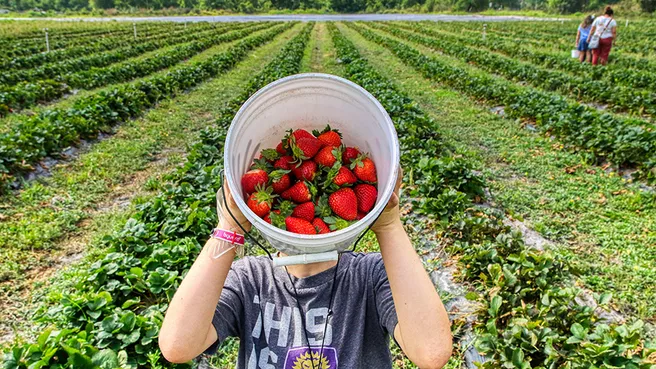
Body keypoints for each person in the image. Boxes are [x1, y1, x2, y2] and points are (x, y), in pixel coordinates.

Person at [159, 170, 453, 369]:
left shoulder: (370, 276)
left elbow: (432, 351)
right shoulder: (249, 279)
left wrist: (388, 224)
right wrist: (228, 226)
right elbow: (177, 346)